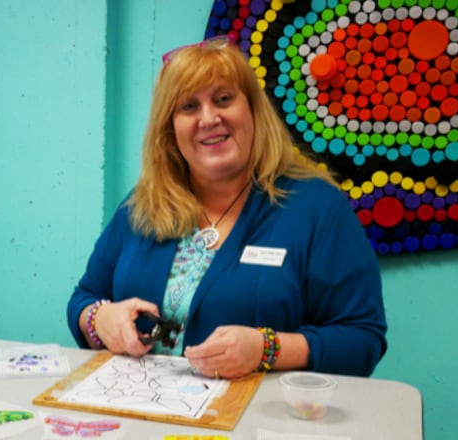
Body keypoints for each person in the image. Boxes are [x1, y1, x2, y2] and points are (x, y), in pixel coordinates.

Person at [66, 34, 387, 378]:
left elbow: (361, 339)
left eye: (223, 99)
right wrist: (100, 318)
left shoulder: (318, 208)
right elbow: (85, 297)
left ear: (252, 111)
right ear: (169, 130)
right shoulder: (142, 205)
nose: (208, 119)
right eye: (188, 107)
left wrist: (268, 348)